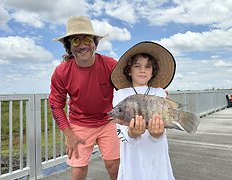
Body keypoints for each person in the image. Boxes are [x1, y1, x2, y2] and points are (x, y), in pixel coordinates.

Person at [48, 16, 120, 180]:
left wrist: (154, 92)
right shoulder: (61, 72)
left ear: (95, 43)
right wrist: (69, 135)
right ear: (69, 47)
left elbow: (128, 88)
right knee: (78, 171)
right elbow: (56, 105)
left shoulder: (110, 65)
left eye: (87, 39)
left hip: (108, 121)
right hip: (79, 124)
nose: (82, 45)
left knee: (114, 166)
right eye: (75, 41)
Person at [111, 41, 176, 180]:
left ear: (153, 72)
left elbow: (162, 123)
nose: (143, 70)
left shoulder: (159, 92)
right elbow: (120, 132)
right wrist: (131, 133)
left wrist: (156, 134)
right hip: (132, 158)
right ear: (129, 70)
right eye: (137, 66)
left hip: (157, 155)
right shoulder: (120, 94)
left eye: (148, 66)